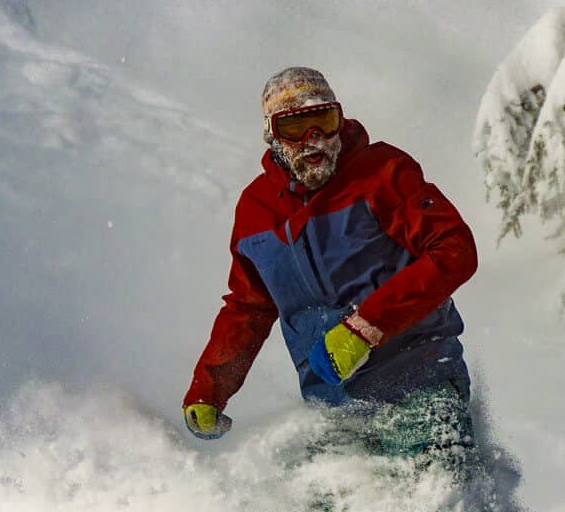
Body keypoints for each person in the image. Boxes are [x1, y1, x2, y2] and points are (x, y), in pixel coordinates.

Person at [182, 67, 478, 457]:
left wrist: (365, 328)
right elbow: (248, 308)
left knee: (430, 507)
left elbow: (454, 249)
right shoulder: (256, 211)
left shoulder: (381, 173)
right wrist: (209, 388)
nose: (313, 139)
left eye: (323, 121)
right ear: (272, 135)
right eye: (294, 127)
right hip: (331, 406)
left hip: (418, 383)